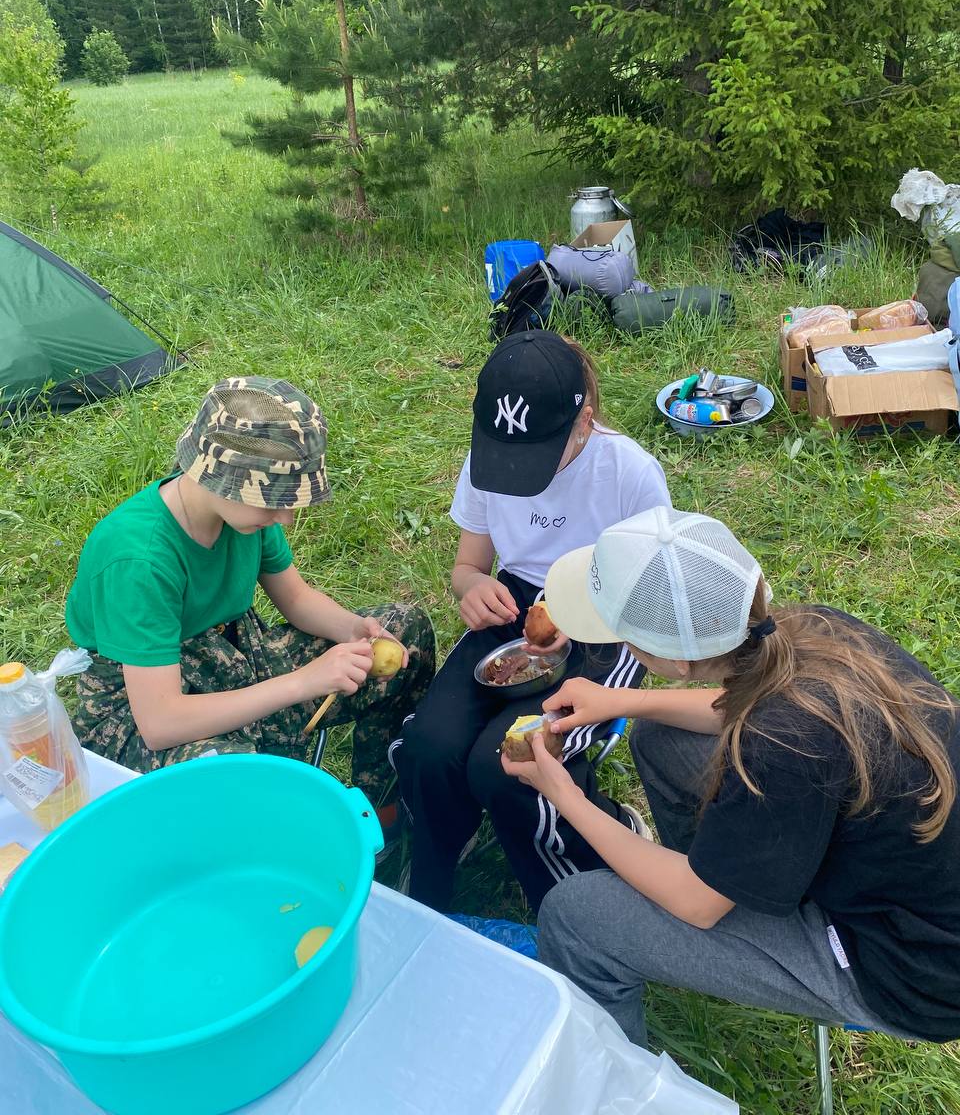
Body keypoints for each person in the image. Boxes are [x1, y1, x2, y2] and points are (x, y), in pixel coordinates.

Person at [502, 507, 960, 1047]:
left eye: (624, 638)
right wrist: (621, 700)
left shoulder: (781, 747)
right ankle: (726, 883)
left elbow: (697, 901)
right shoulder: (813, 629)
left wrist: (564, 794)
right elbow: (744, 704)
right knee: (659, 737)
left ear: (679, 662)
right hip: (904, 867)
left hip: (909, 967)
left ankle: (618, 1085)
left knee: (578, 914)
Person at [66, 376, 435, 816]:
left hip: (237, 655)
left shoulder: (244, 518)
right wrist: (305, 681)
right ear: (219, 479)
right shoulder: (138, 560)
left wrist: (355, 631)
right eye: (273, 501)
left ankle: (382, 810)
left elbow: (295, 599)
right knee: (243, 782)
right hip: (137, 708)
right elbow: (160, 722)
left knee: (406, 629)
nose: (284, 517)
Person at [393, 331, 671, 912]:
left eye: (534, 459)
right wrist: (472, 589)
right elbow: (469, 565)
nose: (517, 473)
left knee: (511, 764)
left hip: (605, 619)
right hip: (517, 602)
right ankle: (438, 873)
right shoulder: (486, 457)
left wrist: (588, 611)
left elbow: (650, 594)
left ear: (584, 423)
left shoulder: (628, 474)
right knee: (428, 743)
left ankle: (577, 882)